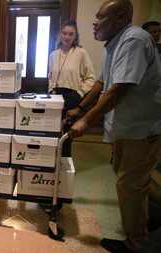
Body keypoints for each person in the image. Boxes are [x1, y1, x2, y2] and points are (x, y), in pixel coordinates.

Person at [68, 0, 161, 252]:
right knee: (131, 178)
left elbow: (119, 88)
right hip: (126, 128)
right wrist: (81, 108)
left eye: (101, 17)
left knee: (130, 184)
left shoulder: (133, 41)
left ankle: (136, 242)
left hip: (141, 129)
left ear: (120, 17)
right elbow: (101, 83)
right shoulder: (114, 43)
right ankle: (149, 216)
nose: (94, 23)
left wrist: (86, 120)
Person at [48, 20, 95, 156]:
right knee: (53, 130)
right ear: (59, 35)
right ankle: (51, 161)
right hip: (55, 96)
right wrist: (50, 90)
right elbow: (50, 77)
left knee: (67, 134)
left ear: (75, 36)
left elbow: (91, 77)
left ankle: (65, 162)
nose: (67, 37)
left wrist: (80, 93)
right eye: (64, 33)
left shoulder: (81, 53)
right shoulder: (53, 54)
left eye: (71, 34)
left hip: (72, 97)